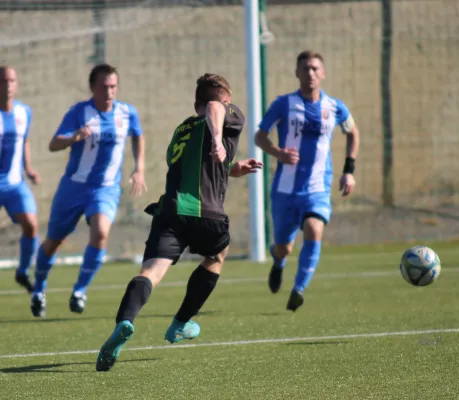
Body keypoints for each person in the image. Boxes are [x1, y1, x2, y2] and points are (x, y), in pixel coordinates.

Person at [95, 73, 263, 372]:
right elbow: (216, 110)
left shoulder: (182, 129)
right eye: (227, 101)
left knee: (151, 271)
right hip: (206, 214)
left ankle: (125, 321)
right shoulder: (224, 110)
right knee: (217, 256)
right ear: (222, 99)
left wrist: (233, 168)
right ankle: (179, 324)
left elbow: (204, 165)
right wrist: (217, 138)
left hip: (170, 212)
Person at [30, 63, 146, 317]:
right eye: (104, 86)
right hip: (73, 188)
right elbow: (53, 144)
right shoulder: (79, 112)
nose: (110, 91)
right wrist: (73, 138)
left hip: (105, 188)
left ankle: (80, 291)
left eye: (113, 86)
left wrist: (139, 167)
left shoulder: (127, 113)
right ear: (92, 87)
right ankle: (38, 290)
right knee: (54, 242)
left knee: (101, 233)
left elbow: (138, 136)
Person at [255, 50, 360, 311]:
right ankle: (278, 263)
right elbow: (260, 136)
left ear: (323, 73)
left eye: (315, 68)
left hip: (317, 188)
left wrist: (349, 170)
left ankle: (298, 289)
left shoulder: (335, 107)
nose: (310, 73)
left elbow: (353, 132)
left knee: (314, 229)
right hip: (284, 190)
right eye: (306, 68)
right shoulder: (283, 104)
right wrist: (278, 152)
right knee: (284, 247)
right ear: (297, 73)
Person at [0, 66, 40, 293]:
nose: (8, 85)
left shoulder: (24, 112)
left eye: (12, 81)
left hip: (15, 182)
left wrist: (29, 168)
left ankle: (23, 271)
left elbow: (24, 140)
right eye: (4, 81)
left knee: (31, 224)